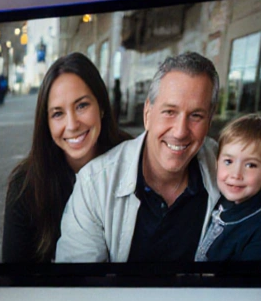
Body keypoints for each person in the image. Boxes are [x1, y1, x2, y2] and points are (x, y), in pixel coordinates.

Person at [56, 53, 221, 263]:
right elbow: (79, 286)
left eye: (196, 116)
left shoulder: (228, 170)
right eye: (169, 111)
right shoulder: (94, 184)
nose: (180, 131)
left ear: (210, 120)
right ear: (147, 113)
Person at [3, 53, 132, 263]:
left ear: (101, 106)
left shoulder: (134, 160)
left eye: (81, 106)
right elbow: (13, 282)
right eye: (57, 114)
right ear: (46, 123)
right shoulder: (25, 186)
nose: (72, 124)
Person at [195, 114, 261, 261]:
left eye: (250, 165)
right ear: (217, 163)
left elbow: (246, 283)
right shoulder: (223, 198)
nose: (236, 174)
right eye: (228, 161)